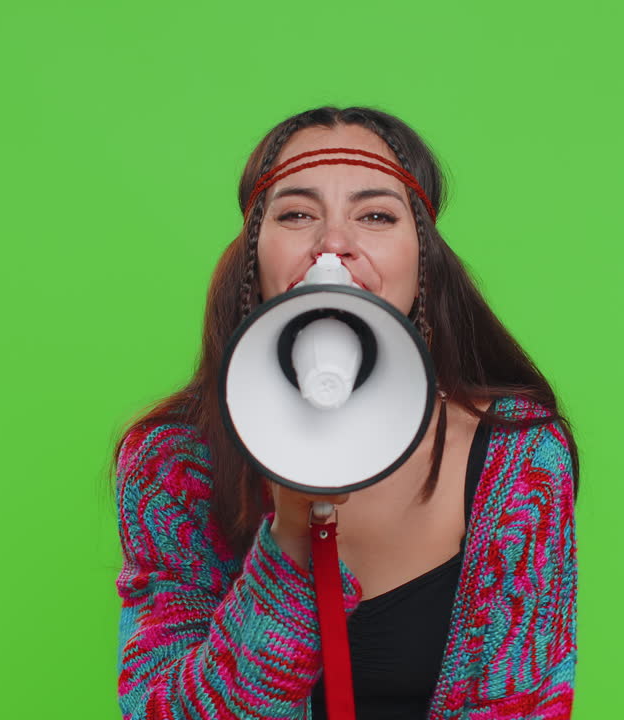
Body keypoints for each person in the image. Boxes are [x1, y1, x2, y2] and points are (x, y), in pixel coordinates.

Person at [112, 106, 580, 720]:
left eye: (377, 215)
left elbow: (525, 706)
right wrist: (292, 537)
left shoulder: (519, 455)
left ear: (424, 258)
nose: (333, 246)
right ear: (254, 254)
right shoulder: (172, 462)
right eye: (296, 214)